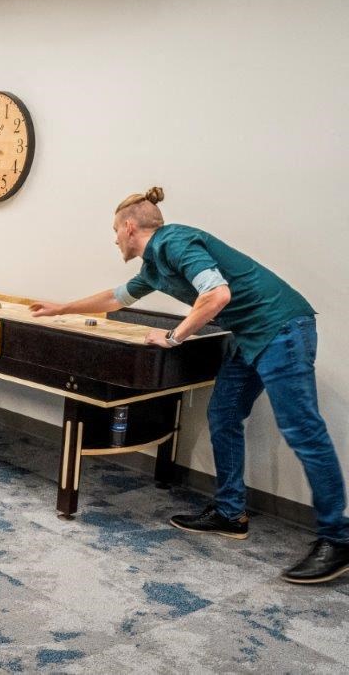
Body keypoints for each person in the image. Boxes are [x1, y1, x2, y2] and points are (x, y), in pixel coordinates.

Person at [28, 187, 349, 584]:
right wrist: (61, 308)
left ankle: (337, 538)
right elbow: (115, 298)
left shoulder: (174, 241)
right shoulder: (154, 267)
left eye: (115, 230)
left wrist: (173, 337)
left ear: (130, 227)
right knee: (224, 414)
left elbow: (216, 294)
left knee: (303, 431)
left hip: (281, 328)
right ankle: (231, 514)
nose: (114, 239)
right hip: (248, 336)